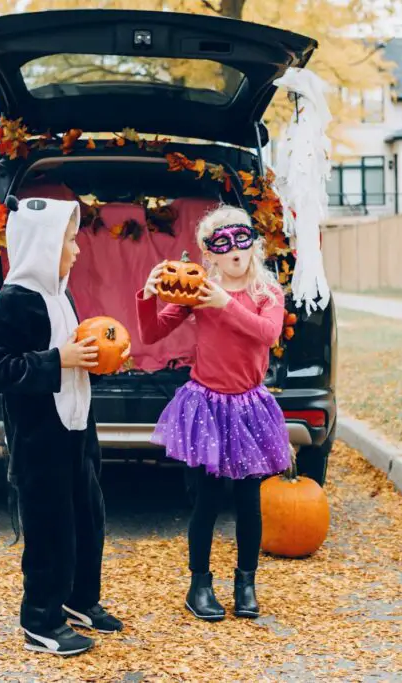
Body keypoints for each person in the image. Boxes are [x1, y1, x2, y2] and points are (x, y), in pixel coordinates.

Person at [0, 197, 126, 656]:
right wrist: (56, 360)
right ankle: (41, 620)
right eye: (68, 241)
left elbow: (76, 354)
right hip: (40, 438)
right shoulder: (14, 301)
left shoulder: (61, 294)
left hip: (77, 428)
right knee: (50, 527)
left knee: (88, 517)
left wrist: (100, 361)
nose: (78, 249)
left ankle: (80, 600)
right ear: (43, 246)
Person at [135, 204, 289, 621]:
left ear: (253, 243)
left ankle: (246, 582)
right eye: (222, 243)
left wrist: (225, 303)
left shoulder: (266, 293)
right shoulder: (198, 290)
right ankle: (199, 584)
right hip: (207, 404)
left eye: (242, 238)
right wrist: (147, 297)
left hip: (249, 406)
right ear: (210, 254)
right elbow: (151, 334)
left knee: (248, 500)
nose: (235, 250)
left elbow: (268, 333)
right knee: (206, 499)